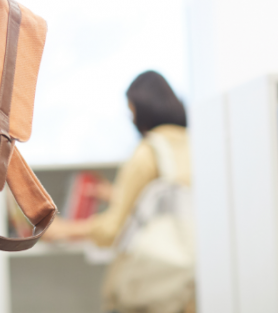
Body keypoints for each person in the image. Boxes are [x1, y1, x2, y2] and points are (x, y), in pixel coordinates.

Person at [43, 70, 194, 313]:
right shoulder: (195, 144)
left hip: (157, 289)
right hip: (193, 286)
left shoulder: (148, 153)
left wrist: (63, 230)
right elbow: (170, 204)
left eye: (130, 111)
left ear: (141, 110)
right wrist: (116, 194)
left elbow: (115, 229)